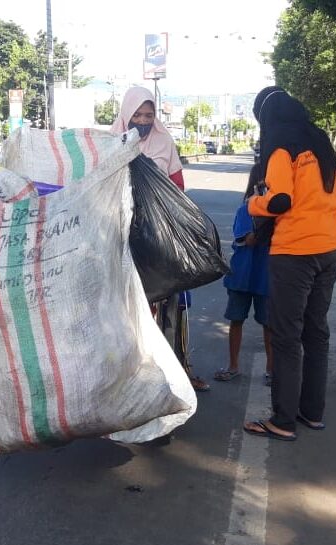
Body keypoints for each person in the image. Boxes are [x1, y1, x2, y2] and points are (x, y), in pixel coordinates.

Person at [243, 86, 336, 441]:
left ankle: (283, 421)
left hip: (295, 253)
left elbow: (279, 200)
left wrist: (254, 202)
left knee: (286, 336)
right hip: (331, 247)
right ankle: (311, 412)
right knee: (316, 332)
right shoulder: (321, 144)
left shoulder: (280, 147)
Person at [111, 86, 210, 392]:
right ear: (126, 115)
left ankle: (176, 369)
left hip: (157, 238)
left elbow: (178, 187)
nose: (142, 120)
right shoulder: (110, 143)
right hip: (120, 237)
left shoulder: (164, 142)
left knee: (170, 307)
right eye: (137, 115)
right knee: (123, 308)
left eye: (148, 115)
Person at [213, 163, 272, 384]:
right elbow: (248, 239)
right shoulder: (246, 209)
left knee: (269, 324)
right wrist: (264, 216)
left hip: (266, 277)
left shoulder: (279, 212)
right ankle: (233, 365)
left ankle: (271, 369)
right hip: (242, 275)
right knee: (236, 320)